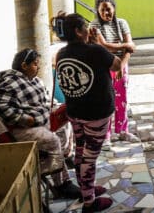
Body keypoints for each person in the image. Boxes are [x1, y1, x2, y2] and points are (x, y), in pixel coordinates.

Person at [51, 12, 124, 212]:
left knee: (81, 152)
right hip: (96, 114)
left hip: (75, 112)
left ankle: (86, 189)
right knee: (89, 157)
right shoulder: (96, 51)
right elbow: (117, 65)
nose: (88, 29)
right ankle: (89, 202)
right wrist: (97, 44)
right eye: (84, 27)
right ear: (78, 31)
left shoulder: (62, 54)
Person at [0, 48, 81, 199]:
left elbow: (44, 102)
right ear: (24, 66)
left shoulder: (36, 81)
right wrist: (25, 119)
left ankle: (60, 160)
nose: (38, 67)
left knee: (66, 125)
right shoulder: (9, 82)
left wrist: (56, 109)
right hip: (22, 128)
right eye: (35, 64)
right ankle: (62, 184)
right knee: (52, 141)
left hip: (42, 121)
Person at [89, 0, 140, 149]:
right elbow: (104, 47)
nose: (106, 12)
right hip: (103, 67)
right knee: (105, 101)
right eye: (102, 9)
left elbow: (129, 50)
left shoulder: (122, 23)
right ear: (98, 11)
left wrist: (121, 67)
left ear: (114, 9)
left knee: (122, 100)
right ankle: (106, 136)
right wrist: (125, 44)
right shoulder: (94, 25)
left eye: (108, 9)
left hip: (121, 67)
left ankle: (122, 131)